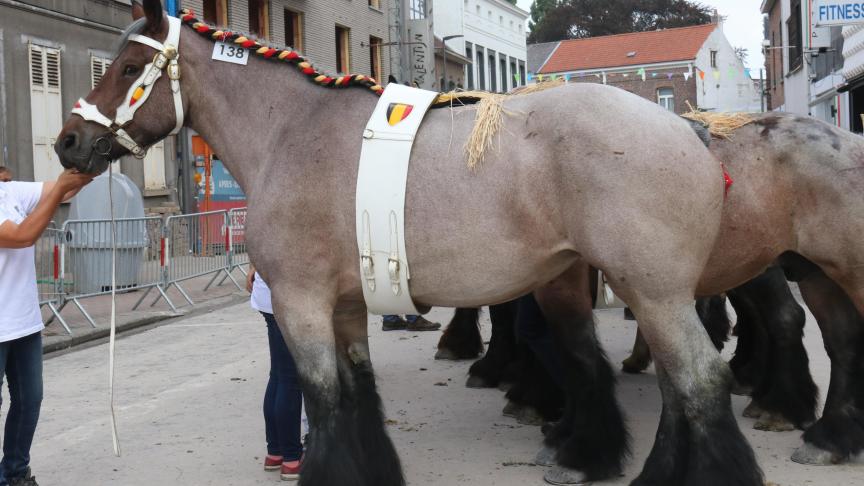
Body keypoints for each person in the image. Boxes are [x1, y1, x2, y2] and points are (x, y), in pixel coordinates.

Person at [0, 169, 94, 486]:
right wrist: (61, 188)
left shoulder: (9, 192)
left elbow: (65, 190)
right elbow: (22, 236)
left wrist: (97, 154)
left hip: (23, 322)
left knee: (30, 400)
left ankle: (14, 473)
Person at [246, 267, 304, 481]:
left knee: (279, 375)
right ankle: (291, 458)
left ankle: (275, 452)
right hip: (287, 295)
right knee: (289, 378)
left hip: (267, 293)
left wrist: (253, 267)